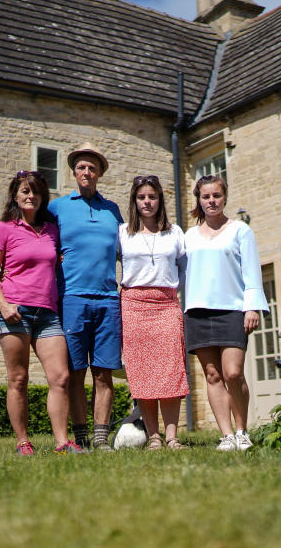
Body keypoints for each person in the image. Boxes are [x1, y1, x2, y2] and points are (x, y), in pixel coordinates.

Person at [0, 171, 84, 455]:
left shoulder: (51, 229)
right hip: (14, 310)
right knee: (18, 378)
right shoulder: (3, 228)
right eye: (25, 191)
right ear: (15, 195)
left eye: (36, 192)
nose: (31, 196)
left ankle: (63, 443)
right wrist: (4, 306)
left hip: (48, 314)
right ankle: (22, 442)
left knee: (61, 377)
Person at [183, 174, 268, 451]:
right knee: (212, 375)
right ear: (199, 199)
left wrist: (252, 306)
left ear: (225, 197)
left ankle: (242, 431)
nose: (211, 201)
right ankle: (227, 436)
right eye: (206, 196)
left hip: (232, 310)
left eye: (216, 196)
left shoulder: (241, 230)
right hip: (197, 311)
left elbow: (252, 270)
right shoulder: (189, 236)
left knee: (232, 373)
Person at [48, 143, 123, 452]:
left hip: (108, 300)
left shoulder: (113, 210)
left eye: (93, 168)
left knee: (104, 373)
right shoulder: (57, 208)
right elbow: (40, 242)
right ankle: (81, 437)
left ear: (100, 173)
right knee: (76, 372)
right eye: (81, 167)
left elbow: (127, 252)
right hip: (72, 299)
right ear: (74, 172)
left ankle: (102, 438)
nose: (87, 172)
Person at [118, 175, 189, 450]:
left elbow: (184, 267)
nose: (147, 202)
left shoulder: (175, 233)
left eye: (152, 197)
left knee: (171, 370)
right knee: (142, 372)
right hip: (134, 306)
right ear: (134, 201)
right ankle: (154, 437)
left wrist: (170, 289)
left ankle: (172, 437)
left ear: (160, 200)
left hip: (166, 305)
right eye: (141, 197)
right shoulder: (123, 232)